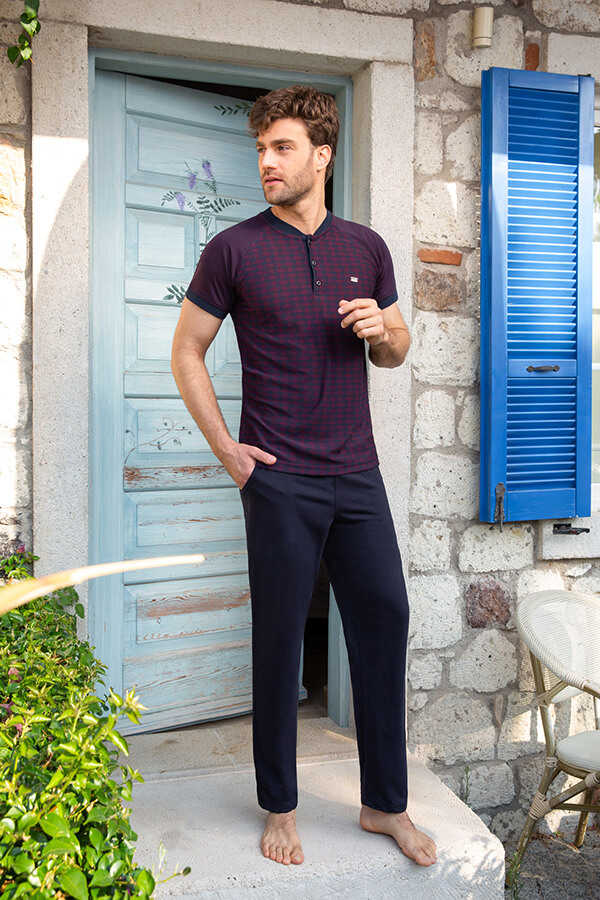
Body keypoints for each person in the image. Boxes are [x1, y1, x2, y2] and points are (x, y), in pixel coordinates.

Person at [170, 84, 437, 870]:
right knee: (281, 638)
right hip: (279, 477)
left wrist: (383, 331)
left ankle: (384, 804)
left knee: (385, 617)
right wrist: (229, 451)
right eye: (260, 149)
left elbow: (397, 348)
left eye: (281, 147)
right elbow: (186, 351)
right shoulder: (233, 250)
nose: (266, 162)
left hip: (358, 473)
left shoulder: (367, 247)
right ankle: (281, 806)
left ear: (322, 155)